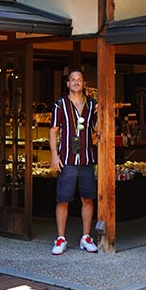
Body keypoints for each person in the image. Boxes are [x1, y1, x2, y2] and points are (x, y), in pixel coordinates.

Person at [48, 70, 99, 254]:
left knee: (88, 199)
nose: (76, 82)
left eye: (79, 80)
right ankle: (61, 238)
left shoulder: (92, 105)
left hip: (86, 159)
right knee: (63, 200)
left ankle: (86, 237)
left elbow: (97, 130)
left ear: (84, 83)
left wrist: (102, 114)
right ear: (67, 84)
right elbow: (53, 131)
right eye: (73, 80)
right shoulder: (59, 105)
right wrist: (54, 154)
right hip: (67, 159)